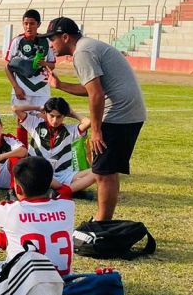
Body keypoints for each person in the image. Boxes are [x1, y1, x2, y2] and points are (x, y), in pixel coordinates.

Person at [44, 17, 147, 221]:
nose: (50, 44)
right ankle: (103, 219)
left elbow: (96, 94)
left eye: (53, 39)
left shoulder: (82, 52)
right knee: (106, 170)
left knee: (104, 172)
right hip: (129, 114)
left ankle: (102, 222)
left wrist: (97, 131)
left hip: (119, 114)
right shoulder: (88, 46)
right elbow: (91, 89)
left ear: (65, 37)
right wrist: (60, 85)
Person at [0, 156, 76, 276]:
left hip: (21, 287)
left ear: (18, 188)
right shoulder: (67, 206)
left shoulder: (10, 210)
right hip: (64, 285)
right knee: (30, 229)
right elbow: (62, 189)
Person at [13, 97, 95, 195]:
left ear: (64, 116)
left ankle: (61, 191)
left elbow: (89, 122)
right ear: (46, 113)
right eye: (51, 115)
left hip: (63, 174)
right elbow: (15, 108)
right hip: (38, 172)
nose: (55, 120)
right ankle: (69, 190)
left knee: (97, 173)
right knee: (30, 175)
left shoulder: (69, 130)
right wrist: (39, 107)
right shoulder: (35, 124)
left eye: (59, 116)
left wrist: (72, 113)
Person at [5, 10, 56, 145]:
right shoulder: (17, 41)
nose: (28, 27)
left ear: (38, 24)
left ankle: (40, 150)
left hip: (41, 89)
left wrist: (44, 63)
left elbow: (53, 64)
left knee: (45, 120)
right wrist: (16, 87)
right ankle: (23, 152)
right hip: (22, 89)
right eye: (26, 23)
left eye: (32, 23)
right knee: (22, 122)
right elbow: (7, 67)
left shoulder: (46, 41)